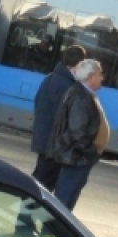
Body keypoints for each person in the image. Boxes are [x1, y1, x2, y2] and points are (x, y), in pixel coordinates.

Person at [47, 59, 109, 211]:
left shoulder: (84, 94)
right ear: (90, 76)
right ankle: (55, 230)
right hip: (76, 157)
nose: (102, 78)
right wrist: (90, 152)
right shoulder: (81, 97)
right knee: (65, 199)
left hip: (77, 156)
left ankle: (57, 229)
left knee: (67, 197)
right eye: (99, 74)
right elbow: (78, 131)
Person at [30, 44, 87, 190]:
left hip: (45, 140)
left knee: (40, 180)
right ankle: (28, 212)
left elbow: (37, 102)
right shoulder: (68, 86)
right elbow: (66, 117)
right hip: (54, 145)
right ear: (78, 65)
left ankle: (28, 210)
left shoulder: (50, 78)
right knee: (43, 186)